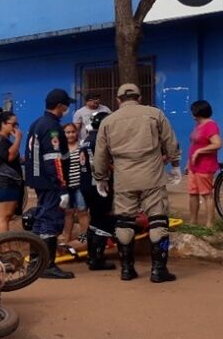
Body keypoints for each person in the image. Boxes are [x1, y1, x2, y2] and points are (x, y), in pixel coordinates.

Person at [94, 83, 182, 283]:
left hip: (124, 178)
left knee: (124, 221)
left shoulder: (108, 121)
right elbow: (170, 141)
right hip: (152, 175)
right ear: (139, 97)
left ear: (118, 100)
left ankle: (127, 269)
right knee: (158, 219)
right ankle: (159, 270)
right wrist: (175, 165)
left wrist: (100, 178)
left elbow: (100, 155)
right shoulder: (155, 114)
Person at [24, 88, 75, 279]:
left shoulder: (37, 123)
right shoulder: (52, 127)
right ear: (60, 106)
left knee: (40, 220)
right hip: (51, 182)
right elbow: (54, 160)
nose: (67, 108)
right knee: (50, 221)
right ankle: (47, 265)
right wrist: (62, 186)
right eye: (66, 105)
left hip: (39, 180)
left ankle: (36, 263)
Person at [79, 111, 116, 271]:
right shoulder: (100, 141)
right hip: (99, 185)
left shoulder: (86, 140)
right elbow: (105, 164)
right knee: (103, 220)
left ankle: (91, 256)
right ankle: (97, 259)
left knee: (94, 220)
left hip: (86, 185)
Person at [187, 100, 221, 227]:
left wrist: (200, 152)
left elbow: (217, 144)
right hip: (193, 166)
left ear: (198, 112)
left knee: (206, 194)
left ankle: (209, 224)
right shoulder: (198, 125)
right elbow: (194, 144)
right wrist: (188, 163)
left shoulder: (211, 125)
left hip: (204, 166)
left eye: (193, 111)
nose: (191, 114)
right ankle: (193, 222)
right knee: (193, 193)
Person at [0, 111, 24, 236]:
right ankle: (4, 248)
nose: (15, 128)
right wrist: (19, 139)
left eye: (17, 124)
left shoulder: (1, 140)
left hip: (4, 182)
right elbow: (9, 156)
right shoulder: (0, 140)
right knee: (4, 217)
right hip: (6, 182)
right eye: (13, 124)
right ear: (3, 124)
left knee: (1, 216)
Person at [61, 123, 89, 246]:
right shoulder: (61, 148)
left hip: (80, 186)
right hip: (66, 187)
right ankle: (66, 239)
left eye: (73, 132)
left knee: (82, 212)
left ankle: (84, 238)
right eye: (68, 132)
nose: (71, 134)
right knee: (68, 213)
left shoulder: (82, 146)